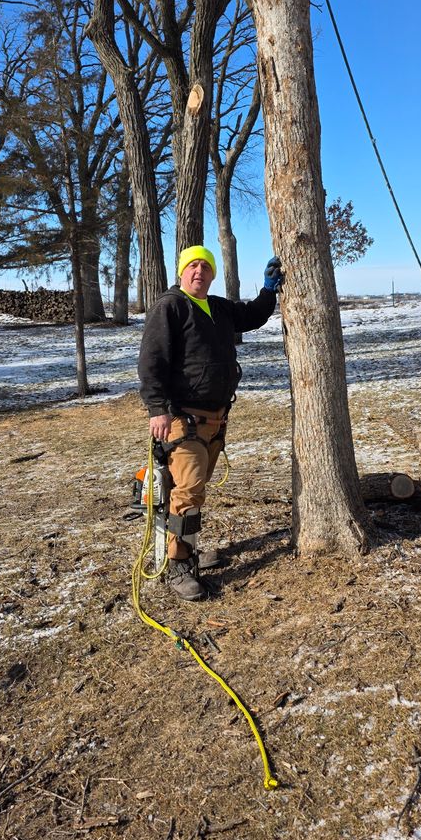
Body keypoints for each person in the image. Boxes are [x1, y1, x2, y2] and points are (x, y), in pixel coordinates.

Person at [138, 245, 284, 600]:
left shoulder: (217, 306)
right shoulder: (170, 306)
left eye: (205, 266)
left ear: (213, 273)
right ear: (182, 272)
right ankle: (178, 566)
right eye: (193, 266)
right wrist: (157, 408)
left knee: (192, 491)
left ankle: (186, 547)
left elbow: (251, 316)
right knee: (187, 493)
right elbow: (151, 360)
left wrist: (268, 290)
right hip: (182, 419)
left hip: (215, 419)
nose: (199, 271)